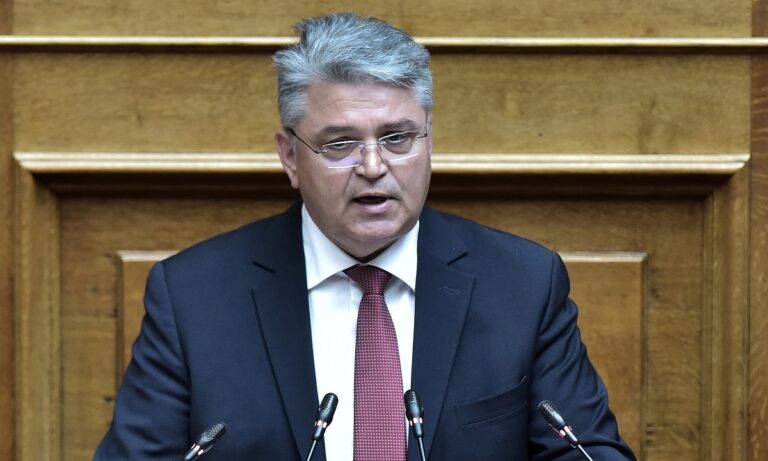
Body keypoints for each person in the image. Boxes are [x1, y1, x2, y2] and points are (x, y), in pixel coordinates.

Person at [95, 12, 636, 460]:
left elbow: (584, 450)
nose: (373, 167)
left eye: (397, 138)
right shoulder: (193, 296)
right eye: (340, 145)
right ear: (290, 156)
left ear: (429, 140)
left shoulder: (523, 284)